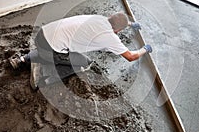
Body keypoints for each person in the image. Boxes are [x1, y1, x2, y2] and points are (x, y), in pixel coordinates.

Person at [9, 12, 152, 86]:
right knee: (85, 63)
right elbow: (131, 56)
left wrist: (131, 24)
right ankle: (44, 81)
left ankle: (21, 60)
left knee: (52, 48)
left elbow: (117, 20)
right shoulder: (110, 37)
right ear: (118, 31)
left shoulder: (99, 18)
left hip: (42, 34)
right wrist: (145, 49)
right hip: (51, 47)